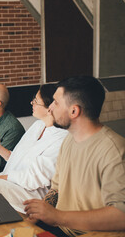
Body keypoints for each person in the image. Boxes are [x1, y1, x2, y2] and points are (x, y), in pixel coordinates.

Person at [24, 76, 125, 236]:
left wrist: (57, 216)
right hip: (60, 228)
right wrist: (35, 217)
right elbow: (56, 188)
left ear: (74, 111)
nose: (49, 108)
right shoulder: (69, 140)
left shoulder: (114, 150)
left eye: (55, 102)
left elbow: (121, 216)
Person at [0, 84, 68, 212]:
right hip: (7, 181)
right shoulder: (38, 126)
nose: (31, 103)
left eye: (36, 101)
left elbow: (34, 178)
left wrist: (0, 178)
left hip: (25, 193)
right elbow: (18, 159)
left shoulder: (62, 139)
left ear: (49, 107)